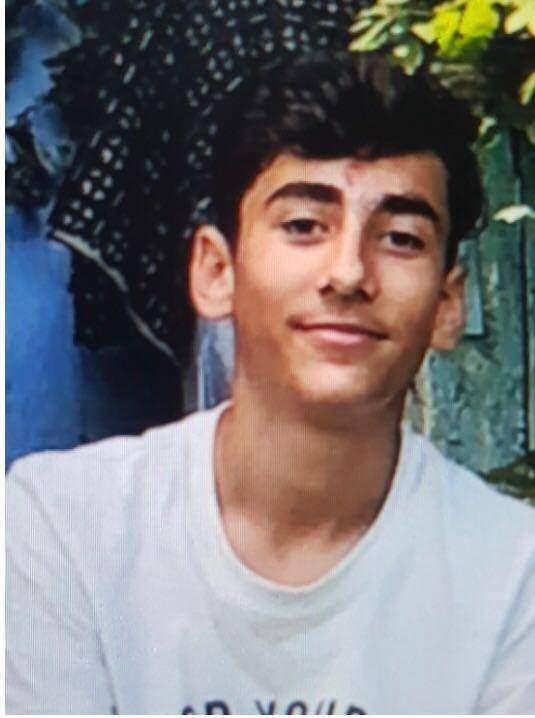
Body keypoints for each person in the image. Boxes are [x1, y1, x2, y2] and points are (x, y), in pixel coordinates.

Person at [6, 51, 535, 715]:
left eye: (400, 238)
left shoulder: (513, 576)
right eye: (303, 226)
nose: (348, 273)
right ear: (215, 271)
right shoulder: (64, 527)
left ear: (447, 305)